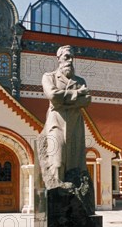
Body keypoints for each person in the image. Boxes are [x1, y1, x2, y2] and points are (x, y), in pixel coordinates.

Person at [38, 45, 92, 192]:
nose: (70, 60)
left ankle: (76, 196)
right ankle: (58, 193)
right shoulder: (49, 77)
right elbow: (53, 96)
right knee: (57, 161)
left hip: (75, 125)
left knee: (77, 164)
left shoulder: (80, 81)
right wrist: (77, 94)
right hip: (56, 122)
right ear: (59, 58)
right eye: (67, 56)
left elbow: (86, 100)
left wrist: (63, 102)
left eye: (72, 57)